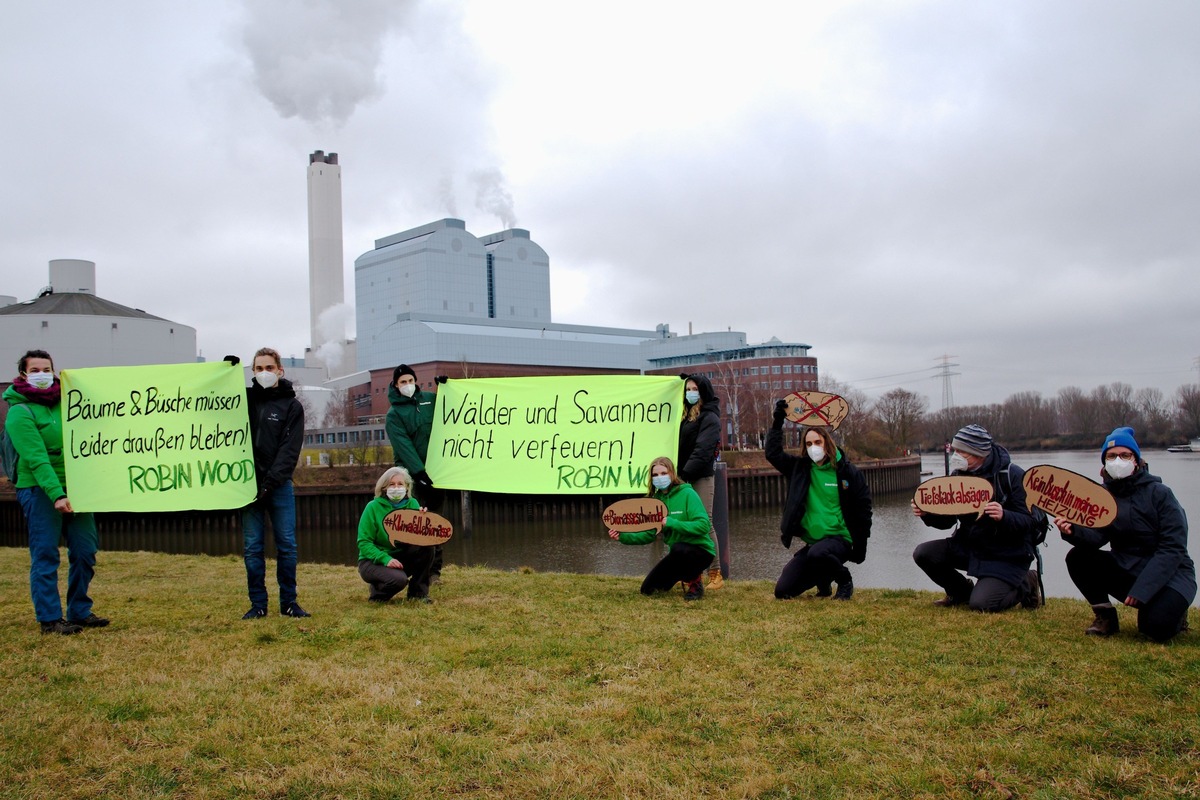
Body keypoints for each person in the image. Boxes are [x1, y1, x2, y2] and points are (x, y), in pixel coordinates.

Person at [1054, 427, 1195, 641]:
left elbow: (1173, 549)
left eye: (1124, 455)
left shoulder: (1161, 494)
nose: (1118, 460)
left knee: (1154, 628)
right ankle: (1105, 617)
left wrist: (1143, 590)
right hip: (1128, 566)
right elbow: (1097, 537)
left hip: (1172, 575)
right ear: (1104, 462)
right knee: (1078, 557)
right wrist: (1073, 531)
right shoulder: (1103, 497)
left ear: (1136, 460)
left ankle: (1176, 614)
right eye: (1111, 456)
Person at [4, 350, 108, 635]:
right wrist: (56, 494)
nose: (41, 374)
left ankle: (79, 610)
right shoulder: (19, 412)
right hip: (40, 490)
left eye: (46, 368)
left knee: (85, 551)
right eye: (35, 369)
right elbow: (36, 458)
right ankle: (50, 619)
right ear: (24, 374)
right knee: (46, 554)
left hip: (78, 489)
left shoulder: (68, 402)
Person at [912, 423, 1044, 612]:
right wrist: (928, 514)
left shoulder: (1013, 475)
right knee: (924, 553)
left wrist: (1004, 516)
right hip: (971, 546)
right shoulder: (958, 475)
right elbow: (948, 521)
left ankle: (1027, 582)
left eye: (962, 452)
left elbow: (1030, 521)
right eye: (955, 450)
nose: (956, 456)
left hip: (1007, 555)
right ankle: (960, 592)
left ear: (979, 454)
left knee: (982, 605)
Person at [766, 400, 871, 600]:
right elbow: (773, 454)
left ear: (827, 442)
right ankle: (824, 582)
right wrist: (778, 421)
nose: (813, 447)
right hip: (814, 544)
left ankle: (844, 580)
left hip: (840, 539)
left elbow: (864, 508)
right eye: (808, 443)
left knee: (818, 554)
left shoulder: (846, 472)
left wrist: (860, 542)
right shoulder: (800, 469)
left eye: (817, 442)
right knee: (783, 591)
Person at [241, 347, 309, 619]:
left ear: (280, 370)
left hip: (279, 486)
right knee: (252, 548)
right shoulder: (243, 401)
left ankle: (289, 602)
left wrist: (271, 482)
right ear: (253, 372)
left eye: (269, 368)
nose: (264, 373)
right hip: (247, 486)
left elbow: (289, 450)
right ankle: (258, 605)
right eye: (258, 369)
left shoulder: (292, 407)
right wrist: (225, 372)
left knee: (287, 546)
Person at [608, 456, 715, 600]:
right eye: (655, 475)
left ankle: (695, 582)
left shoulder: (688, 494)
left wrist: (672, 523)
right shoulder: (656, 502)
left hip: (701, 551)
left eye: (664, 473)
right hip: (677, 555)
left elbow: (703, 525)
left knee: (678, 548)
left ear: (672, 474)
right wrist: (622, 536)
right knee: (648, 590)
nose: (660, 478)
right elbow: (648, 535)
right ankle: (681, 575)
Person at [385, 364, 444, 592]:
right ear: (395, 385)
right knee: (415, 524)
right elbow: (404, 446)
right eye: (402, 382)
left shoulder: (429, 400)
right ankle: (411, 569)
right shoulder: (394, 414)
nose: (407, 385)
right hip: (412, 476)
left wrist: (446, 388)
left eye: (410, 380)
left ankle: (434, 570)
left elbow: (452, 411)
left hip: (436, 474)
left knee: (436, 521)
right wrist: (418, 472)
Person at [356, 467, 437, 603]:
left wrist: (424, 522)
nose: (396, 487)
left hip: (401, 555)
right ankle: (377, 592)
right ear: (384, 488)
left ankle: (418, 594)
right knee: (399, 580)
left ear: (407, 487)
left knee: (427, 546)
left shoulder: (413, 504)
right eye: (391, 484)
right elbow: (364, 542)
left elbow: (418, 539)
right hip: (372, 560)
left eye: (400, 484)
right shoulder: (372, 507)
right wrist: (385, 559)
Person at [677, 373, 724, 590]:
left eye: (694, 389)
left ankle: (715, 572)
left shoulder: (709, 417)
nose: (690, 393)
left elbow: (703, 450)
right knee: (682, 522)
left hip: (699, 476)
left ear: (703, 391)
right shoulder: (684, 415)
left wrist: (684, 474)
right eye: (687, 389)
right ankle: (686, 571)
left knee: (705, 521)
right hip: (681, 476)